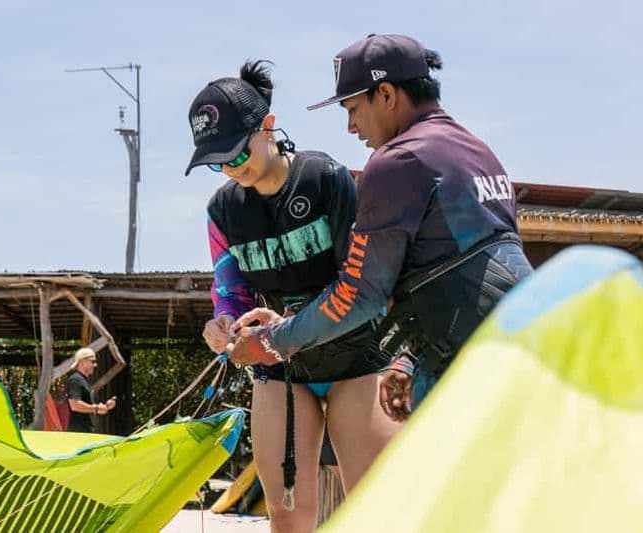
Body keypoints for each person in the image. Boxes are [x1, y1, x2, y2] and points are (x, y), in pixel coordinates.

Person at [229, 34, 534, 423]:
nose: (351, 127)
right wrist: (408, 359)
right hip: (526, 353)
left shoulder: (397, 161)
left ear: (386, 94)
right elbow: (474, 266)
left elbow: (359, 294)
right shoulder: (476, 151)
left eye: (353, 108)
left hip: (468, 377)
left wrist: (273, 341)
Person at [186, 60, 401, 532]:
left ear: (267, 127)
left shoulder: (326, 179)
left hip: (356, 360)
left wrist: (284, 319)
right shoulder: (223, 210)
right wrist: (224, 323)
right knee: (286, 514)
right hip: (283, 371)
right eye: (216, 161)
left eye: (236, 153)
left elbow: (359, 284)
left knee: (375, 508)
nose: (230, 168)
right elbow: (230, 291)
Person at [65, 347, 116, 433]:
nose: (95, 365)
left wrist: (105, 406)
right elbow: (74, 405)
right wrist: (96, 408)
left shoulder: (83, 380)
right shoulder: (75, 380)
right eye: (92, 361)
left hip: (86, 431)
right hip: (78, 433)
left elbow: (88, 405)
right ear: (82, 362)